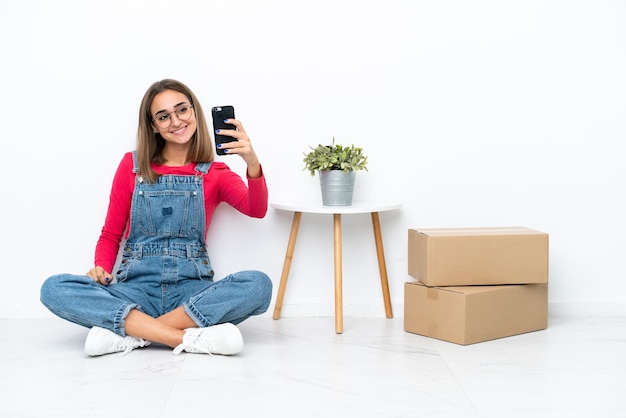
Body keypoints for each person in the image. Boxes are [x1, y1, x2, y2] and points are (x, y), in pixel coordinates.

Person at [40, 79, 272, 357]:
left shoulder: (215, 172)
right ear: (153, 125)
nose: (176, 121)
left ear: (194, 111)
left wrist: (252, 162)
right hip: (135, 290)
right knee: (53, 288)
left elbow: (256, 209)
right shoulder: (132, 166)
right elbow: (111, 232)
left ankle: (134, 333)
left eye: (182, 110)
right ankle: (185, 337)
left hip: (190, 292)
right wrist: (101, 268)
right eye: (163, 116)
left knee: (259, 284)